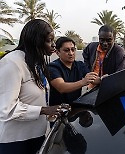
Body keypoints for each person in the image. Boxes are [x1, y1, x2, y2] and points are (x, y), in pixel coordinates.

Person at [0, 19, 70, 154]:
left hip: (37, 136)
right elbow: (6, 109)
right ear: (36, 41)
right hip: (15, 141)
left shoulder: (35, 62)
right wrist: (45, 110)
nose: (53, 45)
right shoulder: (12, 63)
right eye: (49, 40)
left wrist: (54, 111)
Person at [48, 37, 98, 105]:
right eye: (66, 50)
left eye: (73, 49)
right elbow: (61, 87)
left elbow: (93, 79)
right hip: (58, 111)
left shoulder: (79, 65)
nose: (71, 53)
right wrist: (83, 82)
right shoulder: (53, 67)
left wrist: (103, 79)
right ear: (57, 52)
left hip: (75, 107)